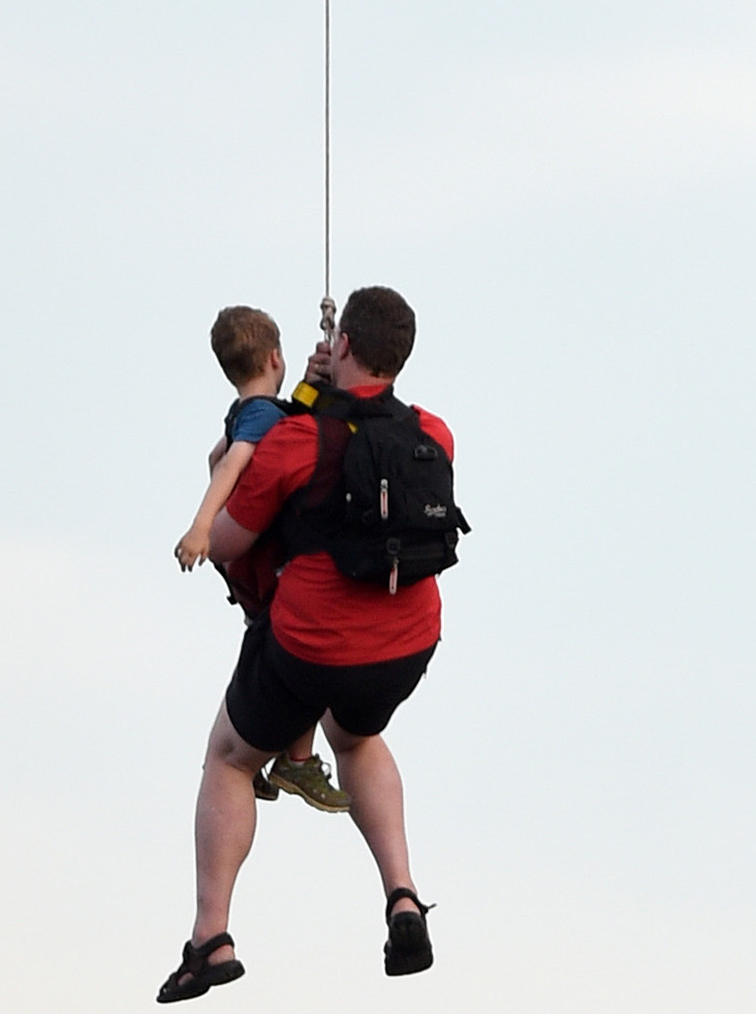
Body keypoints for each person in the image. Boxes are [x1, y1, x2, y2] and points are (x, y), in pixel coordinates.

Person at [159, 286, 463, 1003]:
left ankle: (212, 938)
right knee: (356, 739)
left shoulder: (294, 440)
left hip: (307, 644)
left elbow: (231, 542)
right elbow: (363, 435)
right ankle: (402, 896)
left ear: (343, 346)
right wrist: (327, 395)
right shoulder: (435, 433)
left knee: (230, 757)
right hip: (405, 644)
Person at [172, 305, 347, 816]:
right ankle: (296, 758)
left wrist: (314, 388)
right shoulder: (262, 419)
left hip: (249, 572)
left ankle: (271, 755)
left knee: (275, 663)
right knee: (305, 660)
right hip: (274, 567)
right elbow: (236, 458)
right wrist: (205, 525)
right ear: (276, 356)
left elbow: (218, 456)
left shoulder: (252, 413)